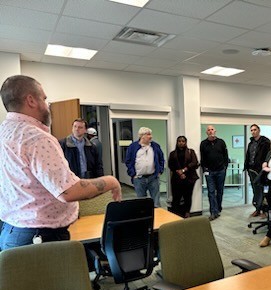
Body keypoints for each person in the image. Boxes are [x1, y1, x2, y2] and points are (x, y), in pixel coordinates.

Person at [0, 75, 121, 250]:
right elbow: (68, 191)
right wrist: (111, 181)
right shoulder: (35, 137)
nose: (47, 105)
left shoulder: (5, 132)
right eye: (44, 98)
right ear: (31, 100)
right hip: (39, 237)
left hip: (13, 232)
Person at [125, 127, 165, 208]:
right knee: (141, 202)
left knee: (156, 202)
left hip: (153, 178)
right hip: (139, 178)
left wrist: (160, 171)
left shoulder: (155, 146)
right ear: (142, 136)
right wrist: (133, 174)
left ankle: (158, 218)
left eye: (150, 134)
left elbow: (161, 159)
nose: (151, 136)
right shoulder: (133, 147)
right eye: (148, 134)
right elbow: (128, 161)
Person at [200, 125, 229, 221]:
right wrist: (205, 170)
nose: (210, 131)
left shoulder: (221, 142)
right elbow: (203, 158)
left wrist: (225, 167)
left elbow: (225, 156)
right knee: (211, 192)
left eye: (212, 129)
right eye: (208, 130)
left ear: (215, 131)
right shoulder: (203, 144)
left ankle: (218, 208)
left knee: (219, 191)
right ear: (206, 132)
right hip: (210, 172)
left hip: (221, 171)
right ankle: (213, 212)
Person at [168, 136, 199, 218]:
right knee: (176, 197)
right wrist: (179, 172)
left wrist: (184, 170)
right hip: (176, 178)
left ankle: (187, 212)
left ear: (186, 142)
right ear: (177, 142)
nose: (181, 143)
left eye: (183, 141)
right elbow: (170, 165)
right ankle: (175, 214)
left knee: (188, 196)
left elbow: (194, 162)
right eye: (179, 141)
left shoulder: (190, 152)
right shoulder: (172, 153)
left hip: (189, 178)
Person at [244, 124, 270, 217]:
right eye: (251, 130)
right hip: (251, 170)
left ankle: (265, 211)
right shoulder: (251, 143)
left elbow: (268, 155)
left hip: (261, 171)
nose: (253, 131)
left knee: (264, 191)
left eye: (255, 130)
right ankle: (258, 209)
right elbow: (248, 155)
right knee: (255, 191)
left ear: (259, 130)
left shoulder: (265, 142)